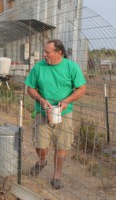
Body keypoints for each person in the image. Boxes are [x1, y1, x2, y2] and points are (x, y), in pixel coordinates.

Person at [25, 39, 86, 189]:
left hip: (64, 113)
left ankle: (57, 176)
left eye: (47, 52)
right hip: (42, 111)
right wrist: (40, 100)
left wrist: (66, 101)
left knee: (61, 146)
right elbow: (30, 88)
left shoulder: (71, 67)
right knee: (41, 145)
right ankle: (42, 160)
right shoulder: (39, 67)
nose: (44, 54)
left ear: (59, 53)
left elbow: (81, 89)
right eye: (44, 51)